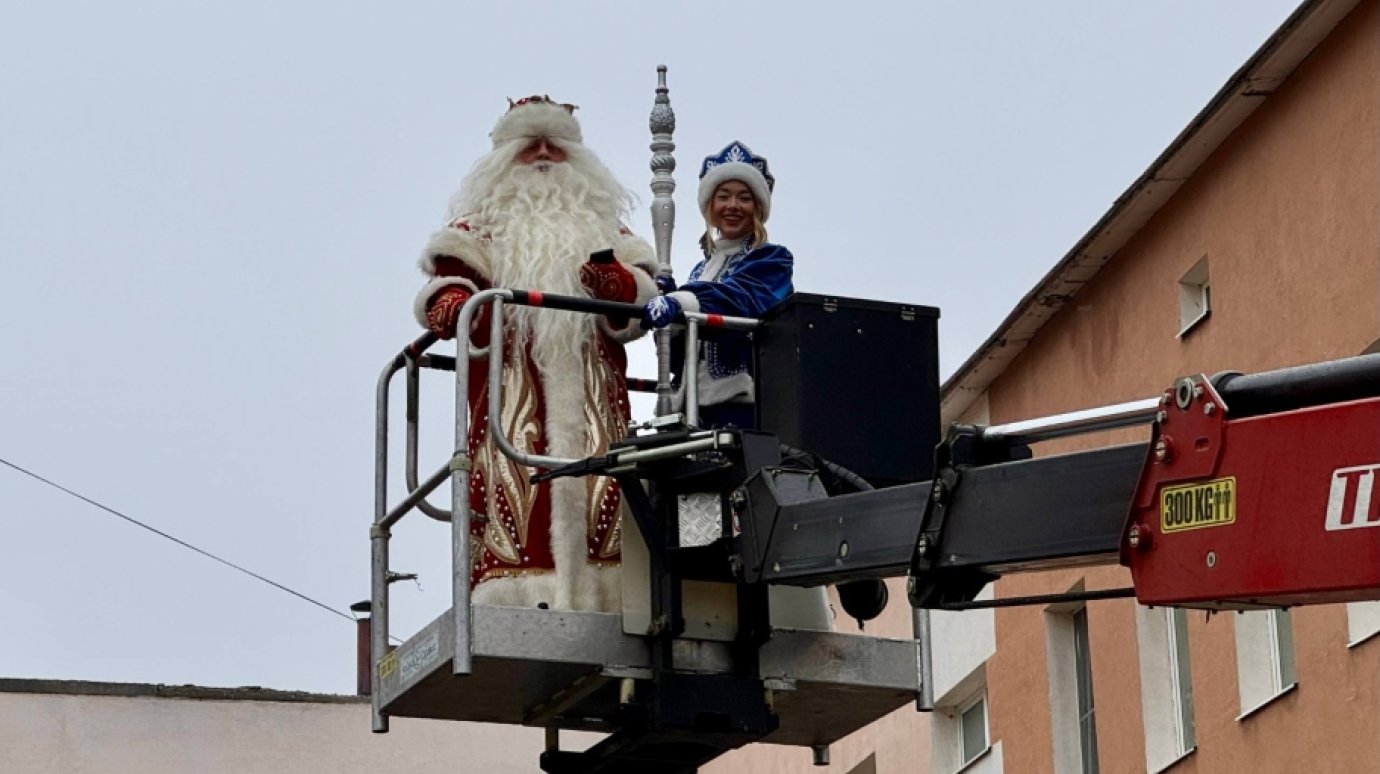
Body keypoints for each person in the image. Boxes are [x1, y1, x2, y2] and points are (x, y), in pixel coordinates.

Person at [415, 95, 659, 613]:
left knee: (605, 493)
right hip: (510, 402)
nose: (546, 154)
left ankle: (606, 597)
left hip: (596, 400)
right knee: (515, 499)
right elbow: (448, 292)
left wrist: (616, 283)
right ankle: (516, 598)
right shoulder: (476, 229)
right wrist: (453, 306)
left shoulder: (608, 230)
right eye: (531, 146)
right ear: (505, 157)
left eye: (556, 144)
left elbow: (640, 306)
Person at [641, 141, 793, 429]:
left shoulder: (772, 260)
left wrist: (681, 302)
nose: (733, 206)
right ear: (711, 206)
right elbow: (677, 360)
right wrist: (667, 308)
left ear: (758, 207)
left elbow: (741, 299)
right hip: (690, 409)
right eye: (723, 196)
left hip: (740, 408)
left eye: (744, 198)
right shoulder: (701, 271)